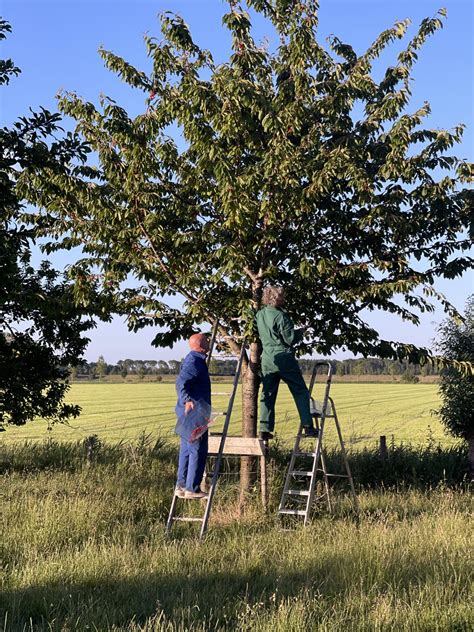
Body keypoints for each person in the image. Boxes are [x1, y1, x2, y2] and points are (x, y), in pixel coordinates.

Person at [256, 286, 318, 440]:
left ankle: (264, 428)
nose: (284, 299)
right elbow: (290, 339)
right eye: (282, 297)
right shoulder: (281, 316)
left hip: (267, 358)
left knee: (267, 393)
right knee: (300, 391)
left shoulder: (260, 314)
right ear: (276, 298)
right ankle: (308, 426)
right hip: (283, 357)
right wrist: (301, 332)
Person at [175, 332, 211, 499]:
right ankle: (192, 488)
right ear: (202, 345)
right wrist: (187, 399)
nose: (210, 342)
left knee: (186, 449)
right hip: (194, 412)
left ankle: (181, 485)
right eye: (207, 340)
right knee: (198, 449)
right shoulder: (195, 362)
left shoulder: (193, 359)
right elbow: (181, 382)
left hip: (187, 411)